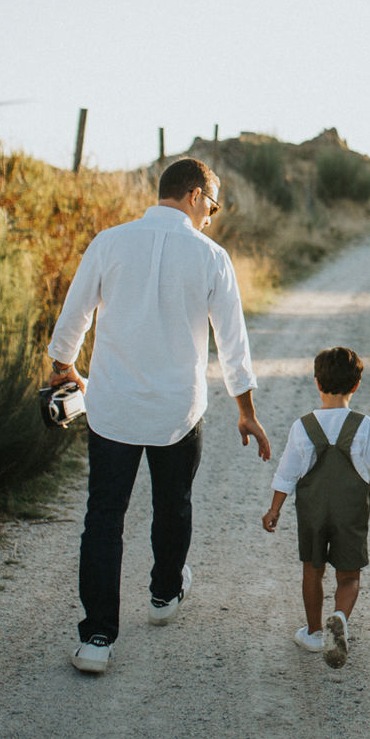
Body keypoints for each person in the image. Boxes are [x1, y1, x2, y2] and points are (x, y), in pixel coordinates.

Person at [47, 157, 269, 675]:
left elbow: (72, 318)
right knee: (174, 505)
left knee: (104, 519)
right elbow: (233, 346)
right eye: (212, 206)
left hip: (112, 408)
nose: (212, 217)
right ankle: (165, 595)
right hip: (177, 411)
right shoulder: (212, 257)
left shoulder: (109, 242)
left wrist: (67, 368)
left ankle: (98, 638)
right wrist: (246, 412)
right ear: (194, 196)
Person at [261, 346, 370, 668]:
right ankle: (340, 616)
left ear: (317, 383)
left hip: (312, 511)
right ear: (356, 385)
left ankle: (315, 632)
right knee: (349, 577)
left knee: (312, 570)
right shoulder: (363, 424)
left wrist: (274, 509)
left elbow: (287, 472)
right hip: (351, 511)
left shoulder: (302, 426)